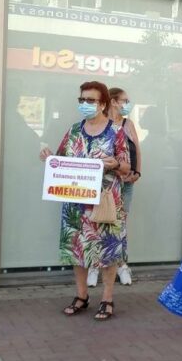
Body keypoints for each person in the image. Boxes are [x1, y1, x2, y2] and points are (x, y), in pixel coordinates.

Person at [40, 81, 130, 320]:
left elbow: (127, 166)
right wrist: (49, 158)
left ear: (102, 104)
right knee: (76, 248)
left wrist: (116, 164)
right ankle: (82, 295)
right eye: (82, 100)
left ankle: (107, 298)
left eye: (90, 100)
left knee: (108, 249)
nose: (85, 104)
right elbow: (60, 160)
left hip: (105, 201)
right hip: (75, 201)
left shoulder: (116, 131)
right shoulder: (74, 131)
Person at [95, 86, 140, 287]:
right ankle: (96, 266)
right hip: (105, 184)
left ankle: (122, 265)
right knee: (99, 222)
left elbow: (136, 149)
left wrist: (137, 172)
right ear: (113, 101)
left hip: (126, 181)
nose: (127, 104)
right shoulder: (101, 124)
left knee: (120, 224)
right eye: (124, 100)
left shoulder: (128, 124)